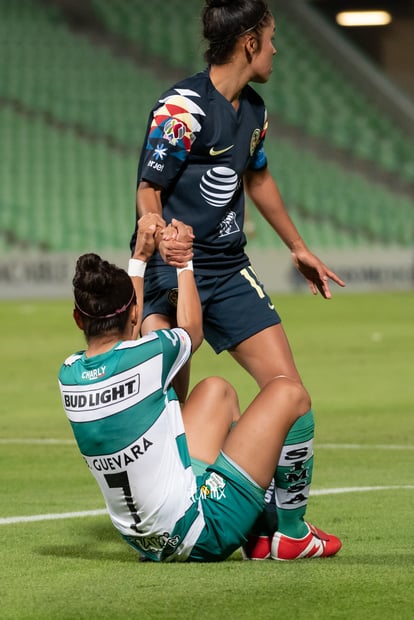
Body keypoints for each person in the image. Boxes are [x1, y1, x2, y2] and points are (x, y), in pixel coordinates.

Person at [130, 0, 346, 558]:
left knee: (289, 393)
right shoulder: (181, 109)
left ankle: (284, 532)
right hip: (173, 271)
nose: (277, 49)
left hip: (229, 269)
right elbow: (149, 187)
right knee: (170, 409)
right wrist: (153, 223)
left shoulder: (254, 109)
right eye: (271, 38)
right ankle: (176, 519)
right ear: (249, 42)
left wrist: (298, 247)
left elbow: (259, 178)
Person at [58, 214, 341, 562]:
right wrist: (183, 262)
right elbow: (192, 330)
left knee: (216, 391)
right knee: (289, 392)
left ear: (77, 319)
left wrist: (140, 259)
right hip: (200, 532)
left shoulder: (69, 373)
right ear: (134, 312)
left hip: (148, 538)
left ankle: (260, 531)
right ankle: (293, 534)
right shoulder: (150, 354)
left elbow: (129, 332)